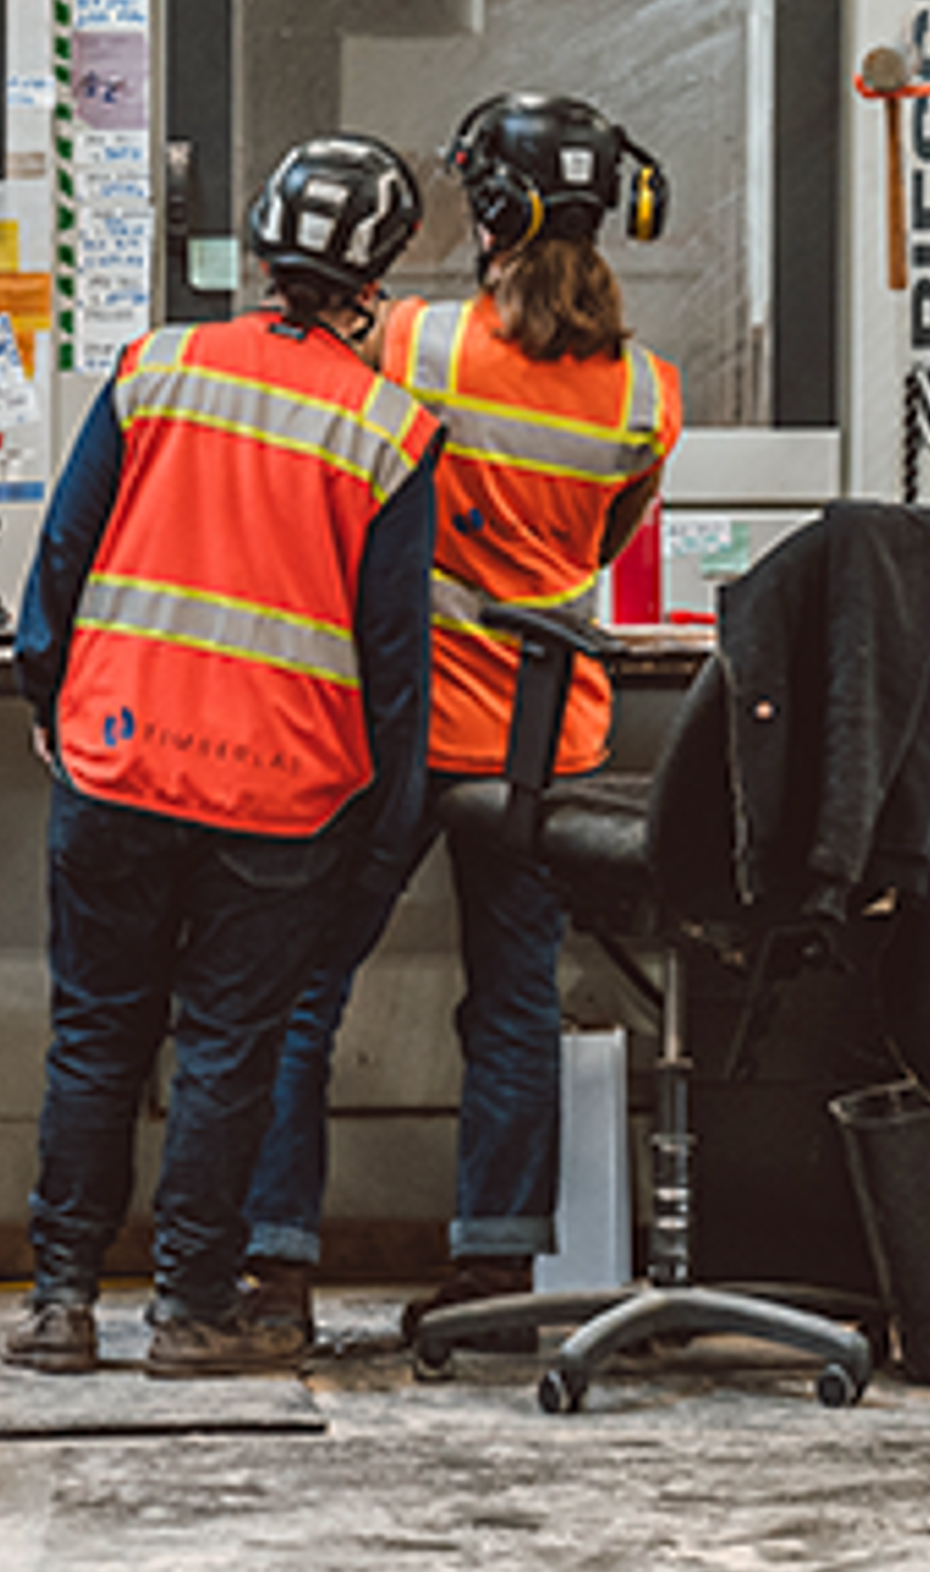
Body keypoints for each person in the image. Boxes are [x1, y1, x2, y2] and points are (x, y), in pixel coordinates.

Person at [238, 91, 681, 1342]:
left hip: (394, 732)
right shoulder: (648, 393)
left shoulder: (414, 344)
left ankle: (272, 1270)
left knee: (301, 990)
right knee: (511, 1010)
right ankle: (492, 1280)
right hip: (544, 752)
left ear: (484, 213)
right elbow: (601, 542)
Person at [4, 134, 442, 1378]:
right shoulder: (390, 429)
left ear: (256, 246)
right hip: (283, 800)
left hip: (116, 762)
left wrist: (51, 693)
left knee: (94, 1035)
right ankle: (192, 1311)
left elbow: (63, 556)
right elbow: (393, 665)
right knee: (225, 1050)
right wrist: (387, 831)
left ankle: (57, 1304)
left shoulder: (156, 369)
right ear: (379, 277)